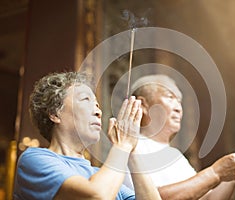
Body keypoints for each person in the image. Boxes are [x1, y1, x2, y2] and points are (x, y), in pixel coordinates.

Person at [13, 71, 162, 200]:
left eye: (97, 105)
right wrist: (122, 145)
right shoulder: (34, 159)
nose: (99, 112)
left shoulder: (100, 175)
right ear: (54, 113)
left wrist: (132, 149)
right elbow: (97, 196)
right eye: (86, 100)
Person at [124, 74, 235, 200]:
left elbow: (207, 198)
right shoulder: (132, 147)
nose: (178, 108)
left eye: (179, 101)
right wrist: (216, 172)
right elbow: (151, 197)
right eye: (170, 97)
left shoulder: (175, 155)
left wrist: (234, 173)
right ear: (143, 105)